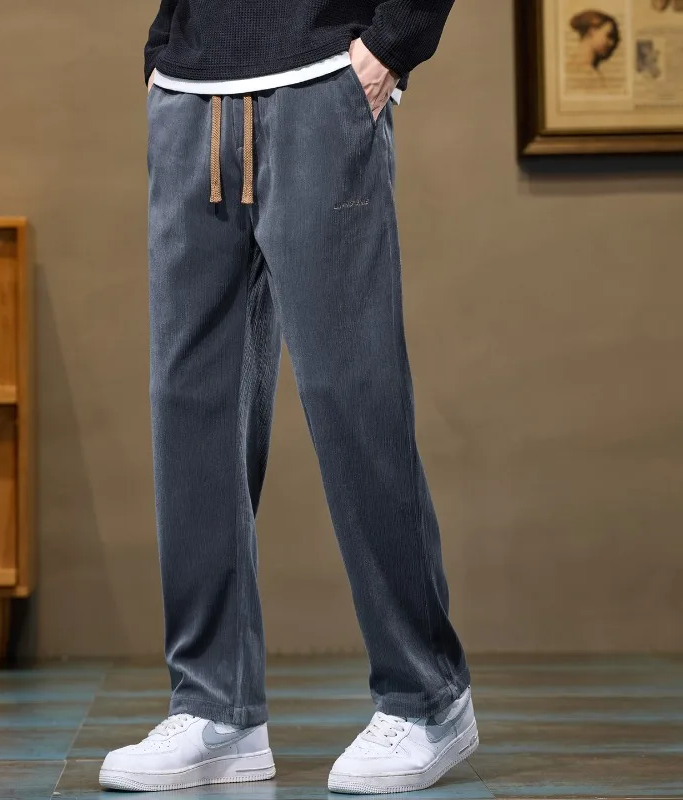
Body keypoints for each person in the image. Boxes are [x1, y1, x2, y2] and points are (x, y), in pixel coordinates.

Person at [100, 1, 477, 794]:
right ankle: (216, 708)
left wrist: (392, 46)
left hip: (323, 83)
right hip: (189, 95)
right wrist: (163, 49)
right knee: (189, 406)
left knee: (353, 394)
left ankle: (427, 697)